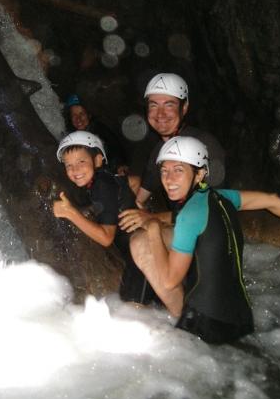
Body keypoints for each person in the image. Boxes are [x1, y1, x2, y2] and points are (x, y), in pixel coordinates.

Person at [129, 135, 280, 344]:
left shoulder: (190, 214)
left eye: (178, 170)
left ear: (199, 174)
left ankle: (175, 309)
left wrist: (153, 230)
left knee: (140, 241)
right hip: (242, 321)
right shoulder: (223, 197)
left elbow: (169, 281)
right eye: (164, 171)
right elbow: (272, 200)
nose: (168, 179)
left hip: (204, 328)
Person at [53, 130, 160, 305]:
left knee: (135, 314)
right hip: (138, 256)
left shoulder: (101, 184)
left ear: (97, 160)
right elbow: (129, 183)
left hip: (142, 258)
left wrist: (70, 213)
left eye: (81, 161)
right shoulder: (102, 180)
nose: (75, 170)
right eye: (69, 165)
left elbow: (106, 237)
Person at [119, 72, 225, 231]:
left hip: (211, 234)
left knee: (142, 243)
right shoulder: (159, 151)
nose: (160, 114)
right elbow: (139, 198)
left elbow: (213, 209)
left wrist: (152, 218)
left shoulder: (206, 145)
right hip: (183, 228)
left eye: (169, 105)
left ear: (184, 108)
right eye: (154, 105)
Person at [64, 94, 128, 175]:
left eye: (82, 114)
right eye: (74, 115)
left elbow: (115, 149)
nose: (78, 119)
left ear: (89, 115)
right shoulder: (68, 138)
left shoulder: (100, 130)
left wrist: (119, 165)